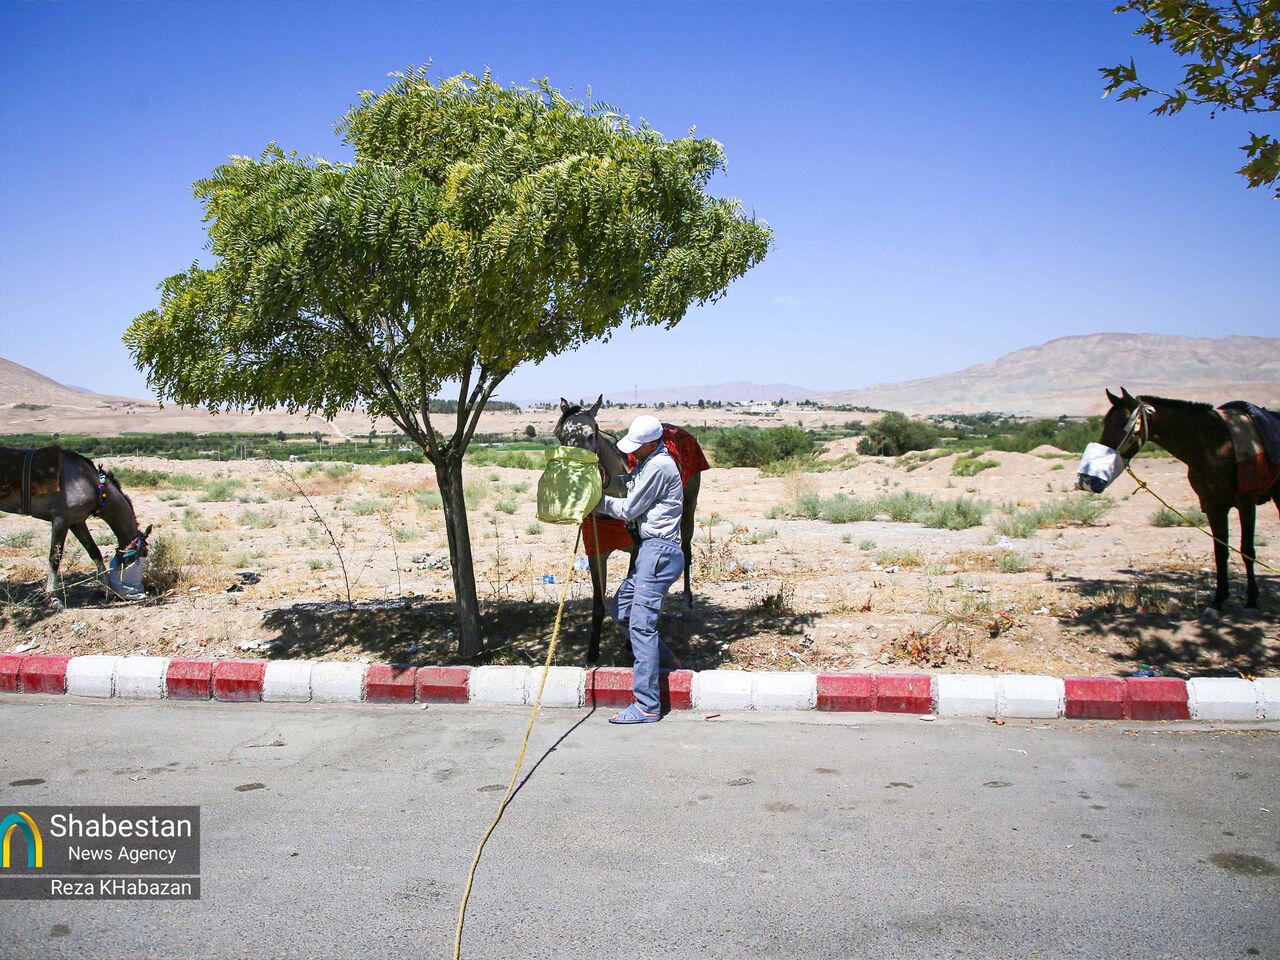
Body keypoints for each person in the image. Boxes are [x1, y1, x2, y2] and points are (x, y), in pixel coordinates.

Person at [599, 414, 685, 724]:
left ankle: (647, 704)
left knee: (641, 626)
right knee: (621, 610)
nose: (633, 451)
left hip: (658, 551)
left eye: (638, 446)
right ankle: (668, 662)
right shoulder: (649, 463)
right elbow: (630, 484)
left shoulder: (660, 466)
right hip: (650, 552)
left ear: (652, 443)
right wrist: (607, 483)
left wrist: (595, 503)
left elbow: (629, 508)